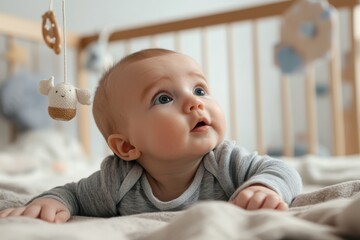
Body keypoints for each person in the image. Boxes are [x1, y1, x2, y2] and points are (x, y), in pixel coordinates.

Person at [0, 48, 302, 223]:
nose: (195, 102)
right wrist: (53, 201)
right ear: (127, 146)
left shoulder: (225, 162)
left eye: (199, 90)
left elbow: (282, 170)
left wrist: (266, 187)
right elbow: (74, 194)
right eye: (163, 98)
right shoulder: (117, 182)